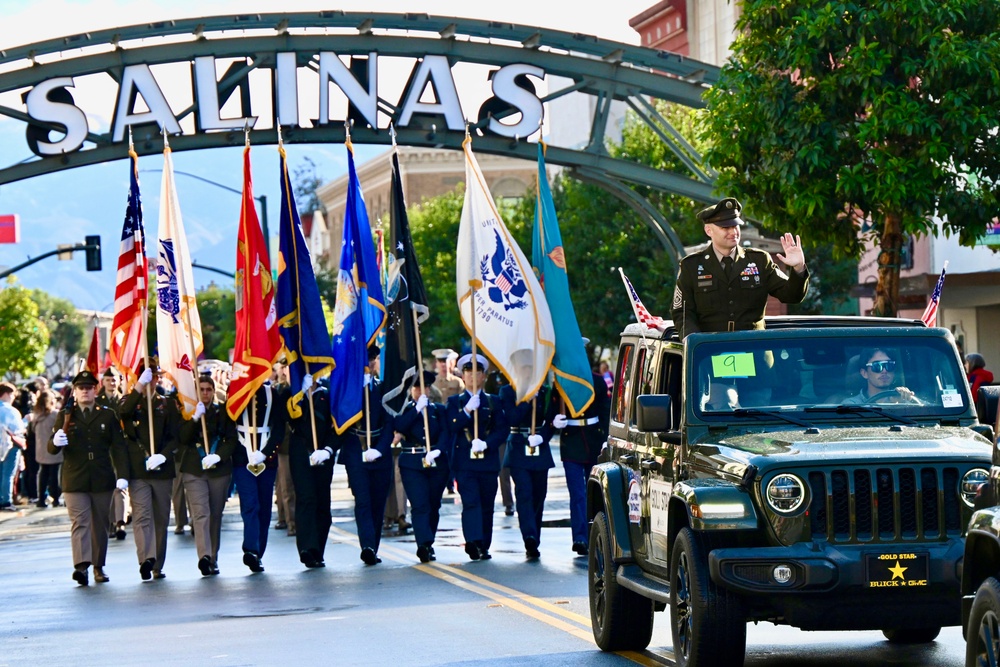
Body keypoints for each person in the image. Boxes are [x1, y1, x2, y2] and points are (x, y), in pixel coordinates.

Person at [671, 197, 809, 339]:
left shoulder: (759, 261)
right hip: (712, 352)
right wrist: (696, 343)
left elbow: (791, 295)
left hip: (753, 351)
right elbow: (682, 313)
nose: (733, 232)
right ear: (708, 230)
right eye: (725, 227)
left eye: (735, 226)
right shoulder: (691, 266)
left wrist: (798, 268)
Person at [48, 370, 126, 585]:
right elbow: (51, 449)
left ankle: (98, 566)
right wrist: (57, 440)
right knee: (80, 522)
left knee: (100, 524)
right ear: (74, 391)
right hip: (75, 477)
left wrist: (123, 475)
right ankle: (81, 566)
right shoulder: (65, 415)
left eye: (89, 388)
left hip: (101, 476)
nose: (85, 391)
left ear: (95, 390)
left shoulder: (107, 414)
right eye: (80, 388)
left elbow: (118, 448)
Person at [118, 360, 181, 581]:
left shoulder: (167, 403)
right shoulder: (129, 400)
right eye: (148, 376)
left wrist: (163, 454)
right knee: (142, 516)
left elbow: (176, 437)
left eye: (155, 376)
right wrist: (137, 389)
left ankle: (158, 564)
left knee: (161, 518)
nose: (152, 380)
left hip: (162, 468)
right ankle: (146, 559)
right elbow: (123, 412)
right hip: (138, 469)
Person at [336, 344, 394, 565]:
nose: (370, 364)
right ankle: (367, 546)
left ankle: (374, 545)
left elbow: (390, 423)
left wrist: (379, 449)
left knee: (378, 502)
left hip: (379, 450)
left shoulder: (384, 389)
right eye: (366, 360)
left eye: (373, 360)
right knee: (363, 500)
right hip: (354, 450)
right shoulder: (348, 389)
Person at [447, 353, 509, 561]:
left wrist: (487, 443)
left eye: (477, 372)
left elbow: (502, 430)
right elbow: (451, 426)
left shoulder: (493, 402)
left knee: (486, 504)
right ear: (463, 377)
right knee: (471, 502)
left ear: (484, 376)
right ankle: (473, 541)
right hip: (464, 463)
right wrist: (465, 411)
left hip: (487, 462)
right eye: (468, 372)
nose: (473, 376)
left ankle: (484, 543)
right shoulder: (455, 402)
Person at [273, 371, 337, 569]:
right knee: (305, 498)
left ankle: (319, 549)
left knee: (322, 501)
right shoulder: (290, 395)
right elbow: (286, 417)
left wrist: (328, 449)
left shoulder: (328, 394)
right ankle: (306, 549)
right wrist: (301, 393)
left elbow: (337, 425)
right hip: (301, 450)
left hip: (323, 452)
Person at [176, 375, 236, 576]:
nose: (205, 393)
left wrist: (219, 456)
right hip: (194, 469)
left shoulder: (222, 412)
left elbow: (231, 439)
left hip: (218, 470)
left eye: (208, 389)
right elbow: (182, 438)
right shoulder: (186, 411)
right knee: (201, 514)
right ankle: (204, 557)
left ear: (213, 390)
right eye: (201, 389)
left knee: (214, 515)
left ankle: (213, 556)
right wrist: (194, 419)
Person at [392, 370, 451, 563]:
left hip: (436, 462)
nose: (420, 390)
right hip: (412, 463)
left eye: (424, 387)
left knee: (433, 504)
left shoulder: (439, 410)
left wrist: (438, 450)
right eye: (416, 387)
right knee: (420, 505)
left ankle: (429, 540)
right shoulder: (406, 411)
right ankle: (423, 544)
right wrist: (417, 409)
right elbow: (399, 425)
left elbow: (445, 433)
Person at [555, 369, 610, 556]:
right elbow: (551, 409)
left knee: (593, 493)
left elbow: (605, 409)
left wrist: (606, 436)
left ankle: (596, 536)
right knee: (577, 493)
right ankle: (580, 537)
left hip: (593, 439)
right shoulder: (560, 381)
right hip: (571, 441)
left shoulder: (596, 380)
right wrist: (555, 420)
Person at [500, 382, 556, 559]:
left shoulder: (545, 391)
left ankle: (534, 538)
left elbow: (551, 419)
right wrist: (526, 400)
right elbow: (511, 418)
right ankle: (529, 536)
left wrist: (542, 436)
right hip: (518, 445)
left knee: (539, 495)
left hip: (539, 444)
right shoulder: (508, 391)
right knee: (524, 493)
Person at [230, 380, 281, 574]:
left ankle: (259, 552)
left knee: (264, 508)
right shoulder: (236, 390)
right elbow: (230, 424)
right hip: (243, 458)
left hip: (266, 459)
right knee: (250, 504)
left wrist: (265, 453)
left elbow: (278, 428)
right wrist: (242, 451)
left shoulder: (271, 393)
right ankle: (250, 549)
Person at [97, 368, 128, 540]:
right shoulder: (97, 401)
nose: (112, 383)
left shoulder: (124, 400)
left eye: (114, 379)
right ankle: (110, 522)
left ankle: (120, 523)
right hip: (104, 448)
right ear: (103, 382)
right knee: (108, 487)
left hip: (121, 447)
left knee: (121, 485)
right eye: (108, 380)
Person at [844, 349, 920, 405]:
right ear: (864, 373)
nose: (884, 371)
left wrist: (899, 404)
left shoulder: (906, 401)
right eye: (877, 366)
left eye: (889, 365)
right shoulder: (851, 405)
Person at [29, 389, 62, 508]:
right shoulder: (55, 415)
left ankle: (41, 498)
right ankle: (56, 499)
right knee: (54, 475)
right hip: (53, 448)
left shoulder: (36, 416)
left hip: (40, 449)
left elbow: (32, 431)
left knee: (43, 473)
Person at [0, 382, 26, 511]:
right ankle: (6, 500)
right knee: (8, 474)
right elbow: (19, 429)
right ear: (7, 394)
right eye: (13, 394)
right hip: (10, 445)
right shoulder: (10, 411)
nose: (13, 397)